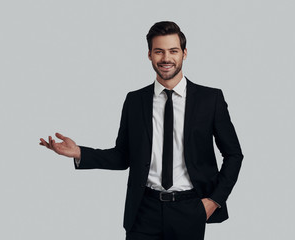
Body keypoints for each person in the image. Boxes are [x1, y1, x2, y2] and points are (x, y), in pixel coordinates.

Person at [40, 21, 243, 240]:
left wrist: (214, 201)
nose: (166, 58)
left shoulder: (210, 100)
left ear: (184, 53)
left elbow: (233, 154)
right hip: (144, 211)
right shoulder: (135, 101)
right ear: (149, 55)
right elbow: (122, 157)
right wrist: (80, 152)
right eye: (159, 51)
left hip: (190, 209)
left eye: (173, 51)